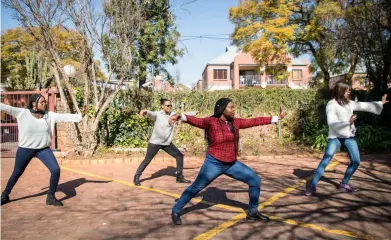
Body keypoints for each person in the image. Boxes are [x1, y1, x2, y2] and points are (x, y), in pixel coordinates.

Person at [169, 98, 287, 225]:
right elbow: (195, 120)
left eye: (234, 107)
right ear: (222, 109)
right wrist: (180, 115)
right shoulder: (211, 122)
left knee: (255, 180)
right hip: (214, 163)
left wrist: (276, 118)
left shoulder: (235, 122)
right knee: (196, 187)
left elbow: (253, 121)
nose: (234, 110)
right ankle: (176, 210)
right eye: (231, 107)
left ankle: (253, 212)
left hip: (232, 164)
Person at [305, 81, 389, 196]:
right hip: (335, 137)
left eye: (349, 90)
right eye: (347, 90)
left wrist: (380, 103)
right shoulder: (331, 104)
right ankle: (312, 185)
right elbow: (332, 123)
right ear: (340, 91)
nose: (349, 92)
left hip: (349, 136)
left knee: (356, 161)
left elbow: (363, 105)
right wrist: (347, 122)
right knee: (326, 159)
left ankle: (344, 183)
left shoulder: (349, 103)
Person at [1, 94, 84, 206]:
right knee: (17, 173)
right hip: (26, 149)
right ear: (34, 104)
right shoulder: (22, 113)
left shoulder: (49, 116)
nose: (45, 103)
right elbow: (5, 107)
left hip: (43, 149)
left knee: (55, 170)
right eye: (42, 102)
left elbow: (64, 117)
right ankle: (5, 195)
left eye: (45, 102)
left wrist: (80, 116)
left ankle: (50, 197)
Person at [133, 99, 191, 186]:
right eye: (168, 105)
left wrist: (195, 114)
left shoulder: (172, 115)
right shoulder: (158, 115)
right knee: (147, 160)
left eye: (170, 106)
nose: (169, 107)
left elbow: (185, 114)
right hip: (155, 143)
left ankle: (179, 177)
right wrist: (145, 111)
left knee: (179, 156)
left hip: (166, 143)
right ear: (162, 106)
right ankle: (136, 177)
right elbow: (150, 113)